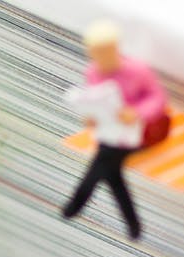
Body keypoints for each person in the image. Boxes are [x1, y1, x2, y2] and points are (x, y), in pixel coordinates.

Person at [61, 20, 169, 240]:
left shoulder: (137, 70)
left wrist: (137, 112)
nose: (99, 58)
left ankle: (75, 205)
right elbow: (97, 101)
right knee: (112, 175)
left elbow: (158, 98)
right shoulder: (93, 72)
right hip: (111, 130)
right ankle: (133, 226)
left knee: (102, 164)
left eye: (104, 51)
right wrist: (92, 118)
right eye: (94, 53)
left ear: (115, 48)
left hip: (146, 130)